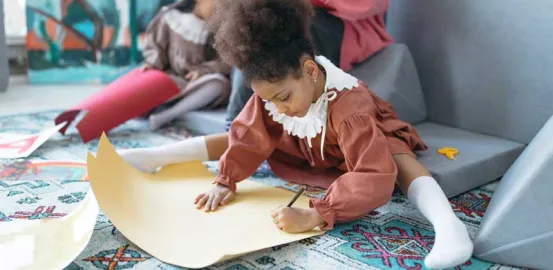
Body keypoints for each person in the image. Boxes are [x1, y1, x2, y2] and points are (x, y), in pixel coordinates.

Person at [118, 0, 473, 269]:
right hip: (314, 144)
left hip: (356, 138)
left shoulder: (350, 108)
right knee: (254, 131)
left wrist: (320, 212)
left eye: (283, 96)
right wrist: (225, 181)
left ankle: (449, 227)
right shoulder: (279, 99)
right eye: (268, 98)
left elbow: (374, 176)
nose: (279, 107)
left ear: (310, 71)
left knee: (394, 155)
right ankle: (158, 156)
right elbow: (246, 135)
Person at [224, 0, 392, 127]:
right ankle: (235, 127)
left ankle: (239, 128)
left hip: (345, 25)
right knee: (253, 24)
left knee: (286, 23)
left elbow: (369, 4)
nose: (280, 109)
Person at [141, 0, 231, 130]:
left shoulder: (218, 28)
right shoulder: (170, 17)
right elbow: (155, 47)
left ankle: (167, 116)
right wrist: (152, 64)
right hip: (171, 79)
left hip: (196, 84)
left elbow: (225, 60)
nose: (221, 7)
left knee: (220, 85)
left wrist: (204, 70)